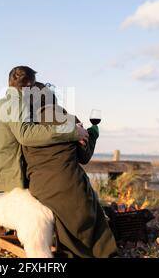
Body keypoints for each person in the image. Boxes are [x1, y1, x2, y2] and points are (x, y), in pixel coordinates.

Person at [22, 82, 118, 258]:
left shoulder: (26, 128)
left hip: (39, 190)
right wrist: (93, 133)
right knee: (92, 209)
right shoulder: (69, 121)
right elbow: (84, 156)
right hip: (69, 187)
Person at [0, 66, 89, 196]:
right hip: (4, 185)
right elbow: (26, 135)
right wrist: (72, 131)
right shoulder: (18, 104)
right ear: (29, 85)